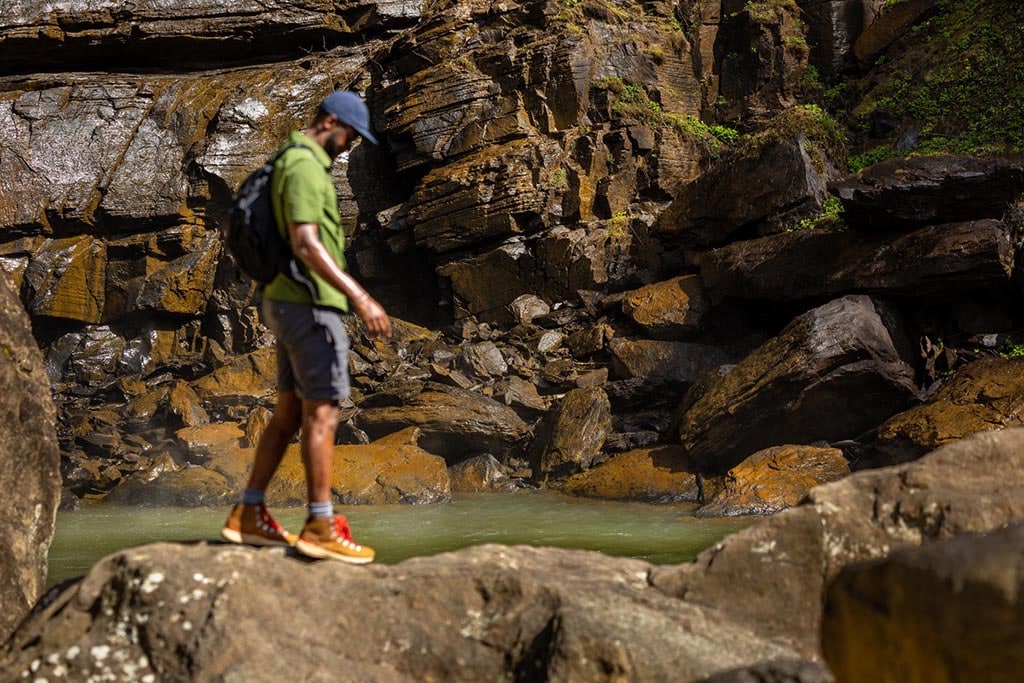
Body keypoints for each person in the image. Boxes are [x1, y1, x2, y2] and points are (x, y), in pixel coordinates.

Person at [220, 91, 393, 564]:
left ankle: (248, 513)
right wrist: (361, 297)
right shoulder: (303, 165)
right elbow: (305, 242)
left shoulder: (293, 161)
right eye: (351, 134)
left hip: (289, 302)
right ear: (331, 121)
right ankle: (320, 524)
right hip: (310, 306)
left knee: (290, 413)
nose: (352, 144)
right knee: (324, 412)